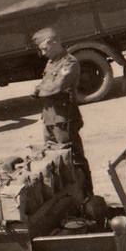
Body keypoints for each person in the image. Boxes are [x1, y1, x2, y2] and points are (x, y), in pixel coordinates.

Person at [32, 27, 93, 196]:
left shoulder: (69, 62)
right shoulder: (52, 62)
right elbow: (45, 83)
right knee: (55, 159)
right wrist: (40, 88)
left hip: (63, 118)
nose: (43, 53)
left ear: (55, 43)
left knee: (73, 159)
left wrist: (39, 90)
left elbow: (57, 86)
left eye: (45, 48)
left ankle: (86, 195)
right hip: (49, 118)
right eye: (41, 50)